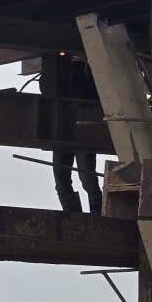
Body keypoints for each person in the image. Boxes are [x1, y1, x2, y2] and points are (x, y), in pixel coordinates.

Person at [41, 56, 102, 215]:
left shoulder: (87, 71)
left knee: (85, 181)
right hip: (64, 133)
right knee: (65, 182)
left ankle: (96, 217)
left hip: (80, 133)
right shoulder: (61, 68)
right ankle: (76, 218)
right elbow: (47, 87)